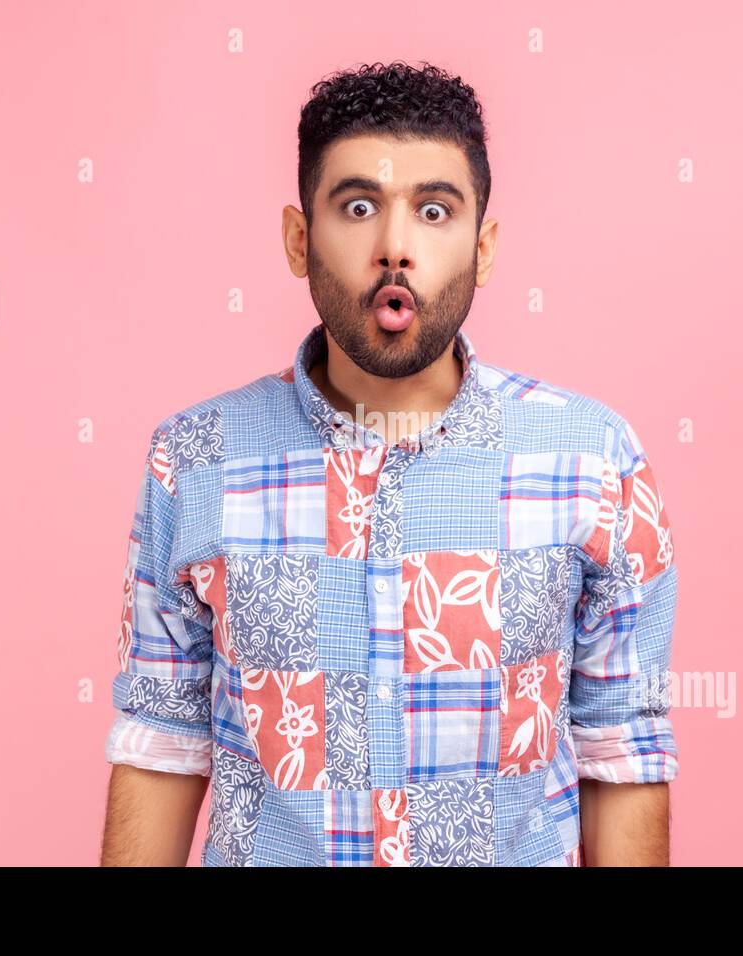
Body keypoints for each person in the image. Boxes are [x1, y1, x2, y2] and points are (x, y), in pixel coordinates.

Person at [100, 60, 679, 867]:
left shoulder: (595, 461)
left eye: (434, 211)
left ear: (484, 246)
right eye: (359, 206)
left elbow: (623, 755)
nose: (395, 248)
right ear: (300, 240)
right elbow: (162, 744)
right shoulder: (194, 460)